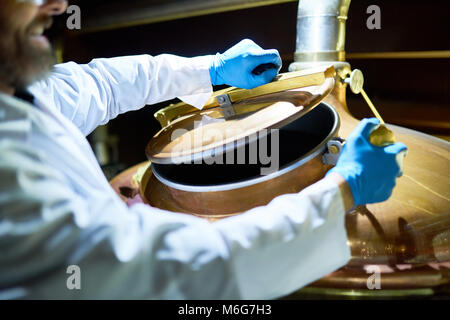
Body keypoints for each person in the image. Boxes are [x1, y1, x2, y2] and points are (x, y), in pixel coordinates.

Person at [0, 0, 407, 299]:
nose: (54, 4)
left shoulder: (21, 92)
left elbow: (99, 83)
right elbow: (182, 267)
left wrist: (210, 68)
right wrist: (341, 193)